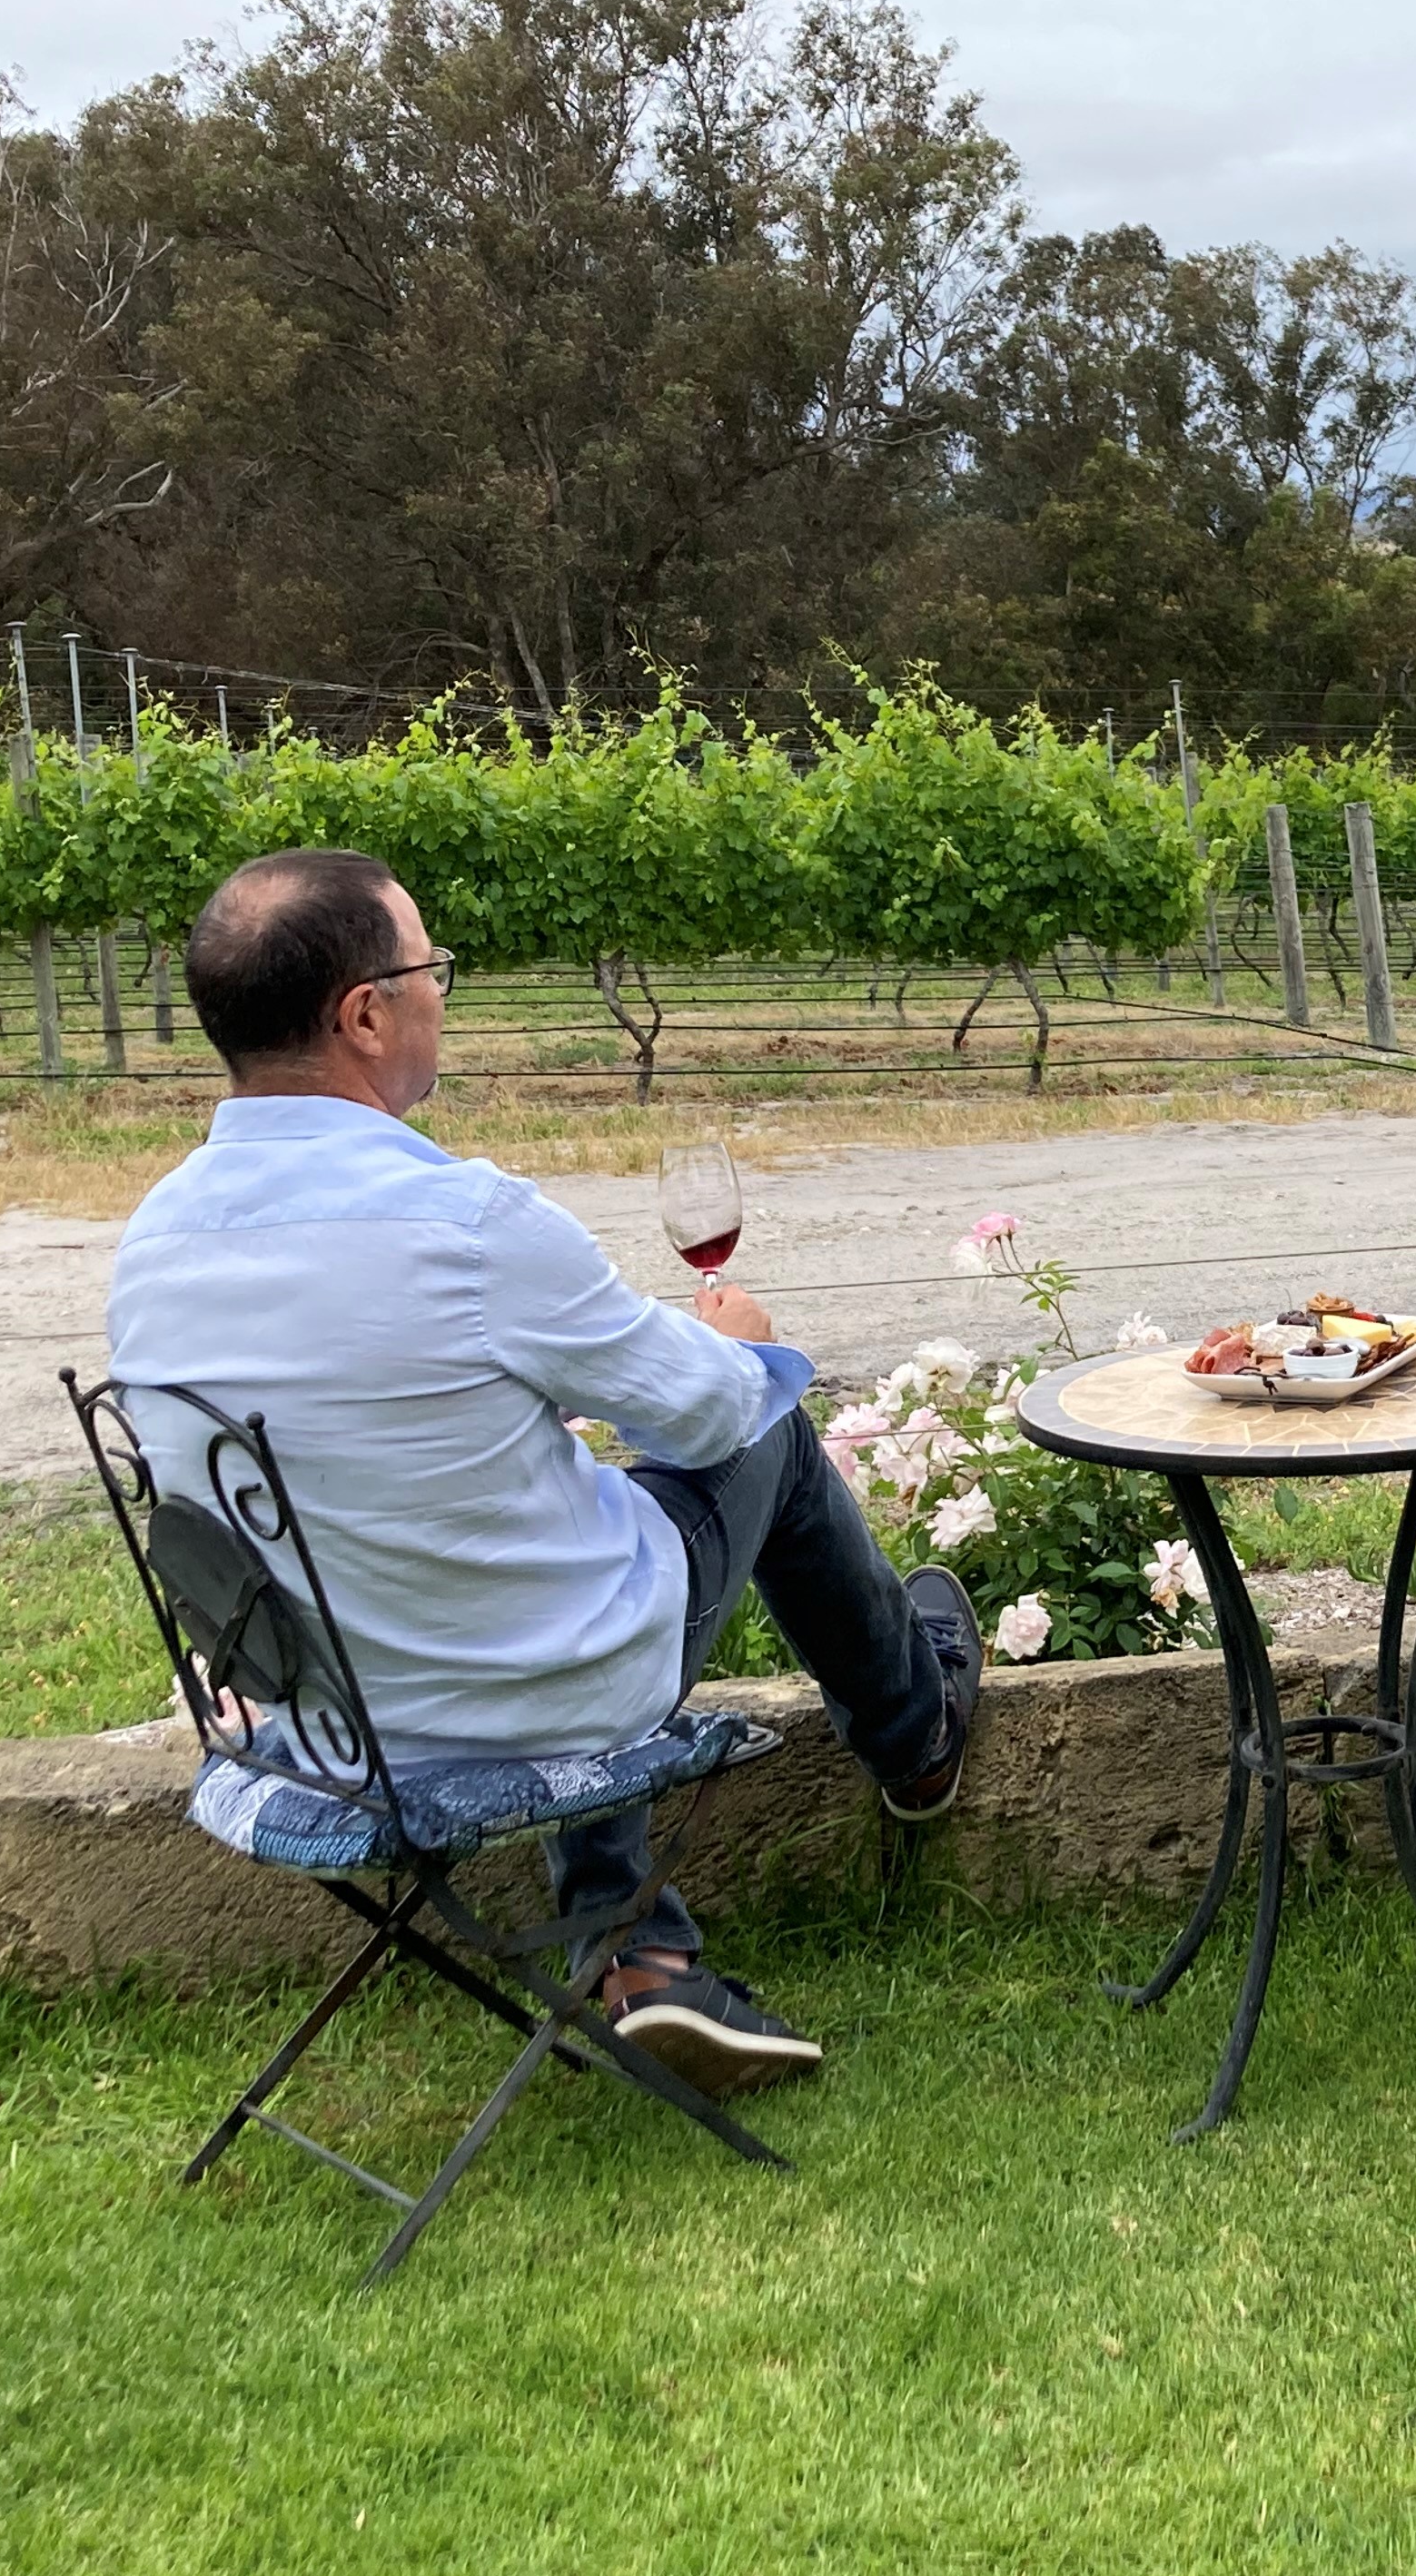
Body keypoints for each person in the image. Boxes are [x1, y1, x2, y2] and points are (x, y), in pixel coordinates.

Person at [106, 849, 980, 2096]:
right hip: (534, 1700)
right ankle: (916, 1742)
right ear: (365, 1014)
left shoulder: (153, 1241)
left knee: (559, 1504)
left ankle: (641, 1952)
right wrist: (740, 1341)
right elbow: (705, 1404)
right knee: (756, 1434)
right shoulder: (467, 1224)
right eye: (429, 971)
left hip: (324, 1730)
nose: (440, 997)